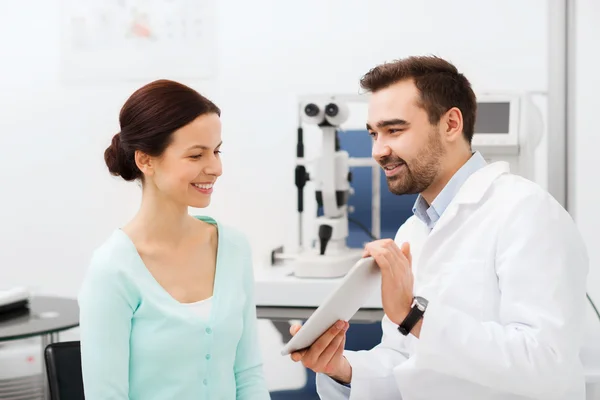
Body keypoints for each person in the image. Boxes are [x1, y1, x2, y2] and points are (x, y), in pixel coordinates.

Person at [289, 56, 589, 399]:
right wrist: (342, 370)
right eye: (374, 133)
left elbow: (545, 366)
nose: (378, 150)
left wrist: (414, 315)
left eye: (394, 130)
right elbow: (406, 364)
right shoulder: (412, 231)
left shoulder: (526, 212)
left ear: (450, 124)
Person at [78, 80, 270, 399]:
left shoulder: (233, 248)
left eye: (217, 151)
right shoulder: (112, 270)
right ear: (146, 160)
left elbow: (248, 373)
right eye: (196, 156)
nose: (216, 168)